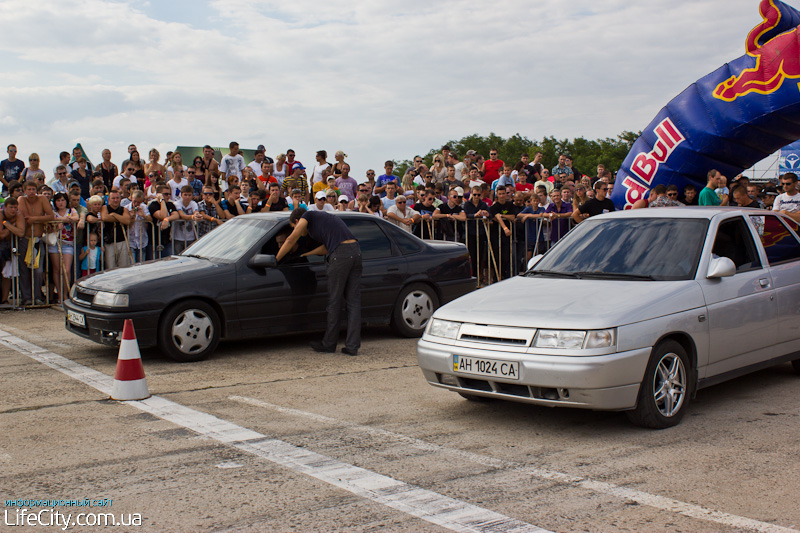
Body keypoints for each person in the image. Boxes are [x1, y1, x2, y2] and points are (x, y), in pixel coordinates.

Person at [276, 208, 362, 355]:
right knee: (353, 302)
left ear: (297, 221)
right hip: (356, 252)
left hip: (341, 256)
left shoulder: (308, 215)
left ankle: (328, 344)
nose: (296, 230)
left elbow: (291, 239)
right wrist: (306, 254)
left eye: (293, 227)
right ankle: (352, 346)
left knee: (334, 302)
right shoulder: (323, 220)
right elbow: (327, 247)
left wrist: (276, 259)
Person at [18, 180, 55, 304]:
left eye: (33, 189)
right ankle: (26, 297)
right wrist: (37, 219)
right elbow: (25, 219)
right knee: (24, 269)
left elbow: (51, 216)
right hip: (25, 239)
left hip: (38, 239)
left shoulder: (42, 199)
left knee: (38, 270)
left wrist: (35, 219)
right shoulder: (21, 200)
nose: (31, 192)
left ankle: (37, 296)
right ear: (24, 191)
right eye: (29, 189)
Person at [0, 197, 25, 304]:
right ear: (5, 207)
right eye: (11, 207)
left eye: (15, 207)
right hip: (2, 245)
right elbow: (1, 235)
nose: (13, 210)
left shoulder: (18, 215)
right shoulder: (1, 214)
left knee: (7, 273)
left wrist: (6, 225)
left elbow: (20, 233)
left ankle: (4, 299)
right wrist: (12, 227)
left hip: (10, 246)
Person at [101, 190, 131, 269]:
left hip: (122, 241)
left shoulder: (124, 209)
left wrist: (114, 215)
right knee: (110, 267)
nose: (115, 200)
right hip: (109, 242)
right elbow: (104, 217)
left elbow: (127, 221)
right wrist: (121, 218)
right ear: (109, 199)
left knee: (123, 267)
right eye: (113, 198)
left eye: (117, 198)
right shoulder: (105, 207)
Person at [173, 185, 200, 253]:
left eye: (189, 195)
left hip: (191, 237)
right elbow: (182, 215)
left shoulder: (193, 203)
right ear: (181, 195)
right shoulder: (177, 203)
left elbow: (196, 212)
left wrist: (198, 216)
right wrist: (193, 217)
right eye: (185, 195)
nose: (187, 197)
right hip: (178, 237)